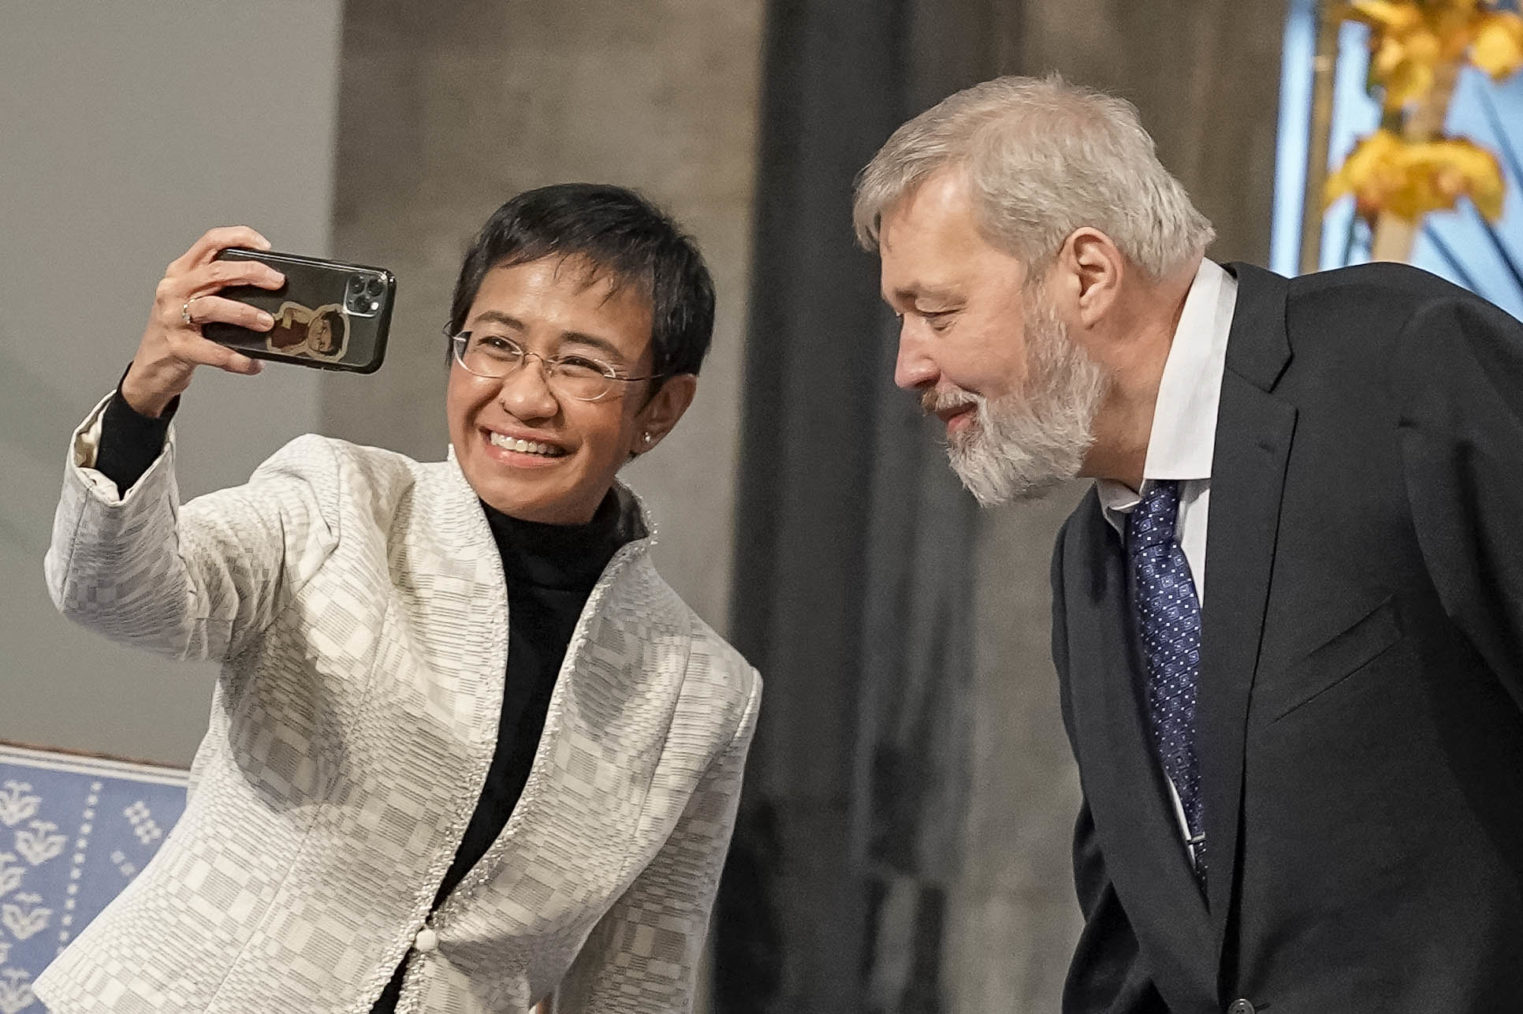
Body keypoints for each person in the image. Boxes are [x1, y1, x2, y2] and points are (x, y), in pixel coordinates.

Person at [853, 75, 1523, 1013]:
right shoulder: (1090, 561)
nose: (908, 366)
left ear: (1085, 273)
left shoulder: (1401, 362)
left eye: (938, 311)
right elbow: (1143, 939)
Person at [38, 183, 761, 1013]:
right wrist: (145, 396)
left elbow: (637, 981)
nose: (524, 396)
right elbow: (121, 597)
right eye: (495, 344)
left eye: (582, 364)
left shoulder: (702, 694)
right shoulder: (334, 501)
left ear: (661, 407)